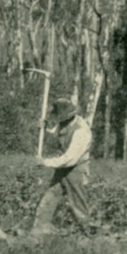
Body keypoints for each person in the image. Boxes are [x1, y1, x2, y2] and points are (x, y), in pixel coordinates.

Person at [31, 98, 94, 235]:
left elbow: (69, 159)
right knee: (49, 198)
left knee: (78, 204)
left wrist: (45, 162)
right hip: (62, 169)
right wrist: (45, 128)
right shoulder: (65, 124)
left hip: (76, 170)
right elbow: (56, 138)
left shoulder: (81, 131)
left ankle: (85, 235)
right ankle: (39, 231)